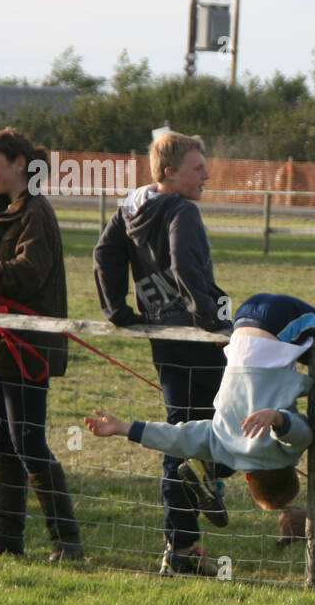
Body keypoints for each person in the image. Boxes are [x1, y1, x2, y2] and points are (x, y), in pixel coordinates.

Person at [83, 294, 315, 573]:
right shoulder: (223, 445)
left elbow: (300, 434)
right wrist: (124, 428)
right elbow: (176, 438)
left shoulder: (286, 452)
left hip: (272, 322)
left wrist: (278, 418)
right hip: (241, 326)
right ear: (249, 476)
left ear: (290, 469)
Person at [93, 131, 233, 575]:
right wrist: (208, 317)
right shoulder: (181, 209)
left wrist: (118, 309)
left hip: (162, 338)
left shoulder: (130, 208)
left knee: (182, 430)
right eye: (198, 167)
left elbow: (104, 253)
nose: (206, 174)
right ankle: (203, 489)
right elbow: (184, 263)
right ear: (169, 173)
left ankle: (184, 548)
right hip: (196, 339)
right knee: (215, 432)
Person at [0, 127, 81, 561]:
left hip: (28, 347)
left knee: (28, 442)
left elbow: (28, 273)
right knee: (3, 443)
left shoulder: (36, 213)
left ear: (20, 166)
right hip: (2, 346)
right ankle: (8, 543)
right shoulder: (7, 210)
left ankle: (66, 541)